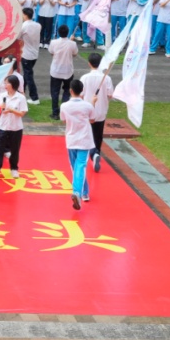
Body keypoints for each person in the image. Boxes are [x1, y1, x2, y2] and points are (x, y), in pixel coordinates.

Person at [61, 79, 96, 210]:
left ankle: (81, 193)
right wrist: (92, 103)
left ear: (70, 91)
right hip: (84, 140)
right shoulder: (87, 106)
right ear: (82, 91)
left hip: (71, 140)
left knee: (77, 167)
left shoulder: (64, 106)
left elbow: (63, 119)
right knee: (80, 167)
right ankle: (80, 192)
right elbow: (92, 119)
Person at [80, 52, 113, 172]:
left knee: (88, 134)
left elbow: (81, 94)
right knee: (98, 135)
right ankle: (96, 152)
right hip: (101, 110)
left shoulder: (84, 78)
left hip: (88, 111)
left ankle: (93, 154)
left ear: (89, 63)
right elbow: (110, 95)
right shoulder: (107, 78)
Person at [0, 74, 28, 181]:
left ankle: (14, 168)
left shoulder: (20, 97)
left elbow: (22, 113)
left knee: (15, 149)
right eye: (5, 83)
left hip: (16, 128)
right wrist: (1, 109)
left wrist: (12, 110)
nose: (5, 85)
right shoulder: (2, 95)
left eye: (7, 83)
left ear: (13, 84)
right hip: (2, 126)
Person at [48, 24, 77, 120]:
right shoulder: (72, 44)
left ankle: (55, 112)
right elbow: (75, 54)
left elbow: (51, 52)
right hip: (68, 71)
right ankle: (63, 112)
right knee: (66, 91)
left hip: (56, 71)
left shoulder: (53, 42)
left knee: (54, 92)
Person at [19, 7, 41, 104]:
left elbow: (17, 37)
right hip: (34, 54)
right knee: (27, 74)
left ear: (25, 15)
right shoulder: (38, 25)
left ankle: (34, 97)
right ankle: (20, 92)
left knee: (28, 76)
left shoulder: (23, 26)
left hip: (26, 54)